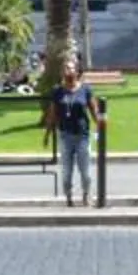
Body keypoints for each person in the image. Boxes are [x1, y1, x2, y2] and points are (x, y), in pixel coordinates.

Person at [45, 57, 96, 207]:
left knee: (85, 172)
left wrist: (100, 123)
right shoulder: (58, 91)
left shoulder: (85, 89)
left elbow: (94, 110)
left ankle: (86, 194)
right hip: (65, 135)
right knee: (66, 172)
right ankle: (69, 197)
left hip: (83, 135)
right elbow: (53, 113)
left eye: (71, 68)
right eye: (66, 68)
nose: (69, 71)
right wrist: (48, 134)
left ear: (77, 71)